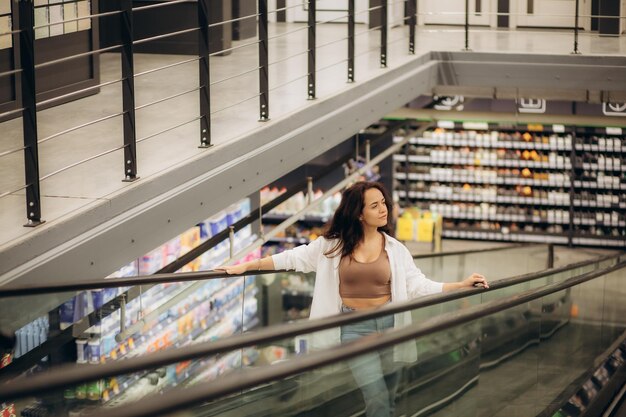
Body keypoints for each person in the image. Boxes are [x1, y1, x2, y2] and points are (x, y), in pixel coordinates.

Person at [218, 181, 488, 417]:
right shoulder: (331, 246)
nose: (384, 209)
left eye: (383, 203)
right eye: (375, 205)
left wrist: (460, 286)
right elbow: (292, 258)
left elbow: (417, 284)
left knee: (389, 397)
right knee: (377, 395)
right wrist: (247, 266)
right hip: (353, 330)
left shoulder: (395, 248)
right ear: (359, 213)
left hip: (392, 327)